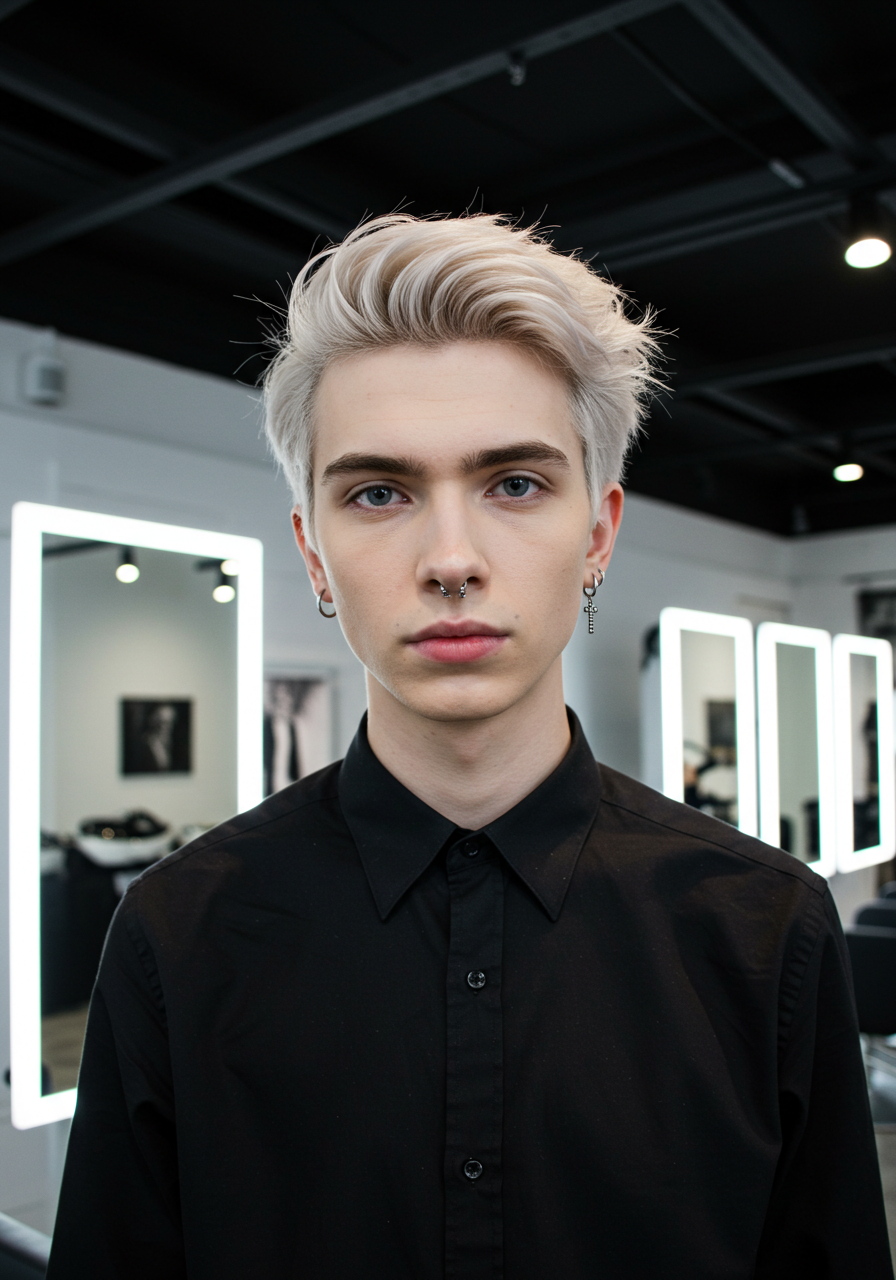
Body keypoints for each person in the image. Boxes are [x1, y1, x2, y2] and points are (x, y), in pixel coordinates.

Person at [48, 214, 892, 1279]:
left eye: (514, 483)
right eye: (378, 492)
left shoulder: (765, 930)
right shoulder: (176, 934)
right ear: (313, 548)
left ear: (597, 532)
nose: (450, 558)